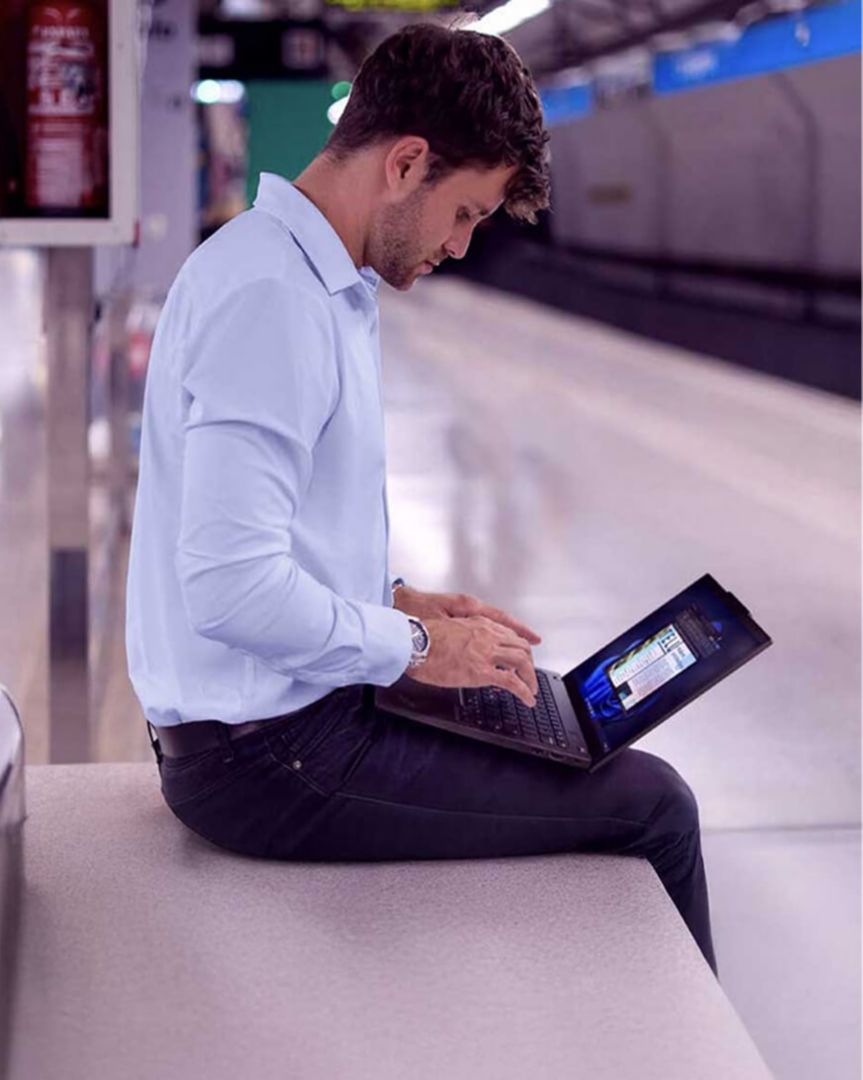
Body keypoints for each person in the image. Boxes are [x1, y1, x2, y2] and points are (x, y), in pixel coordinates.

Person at [126, 23, 718, 978]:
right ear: (406, 163)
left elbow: (268, 532)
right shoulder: (273, 301)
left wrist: (393, 600)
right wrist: (414, 649)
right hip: (268, 761)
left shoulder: (301, 279)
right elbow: (228, 590)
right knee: (653, 805)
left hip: (284, 720)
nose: (459, 244)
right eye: (466, 213)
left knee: (552, 719)